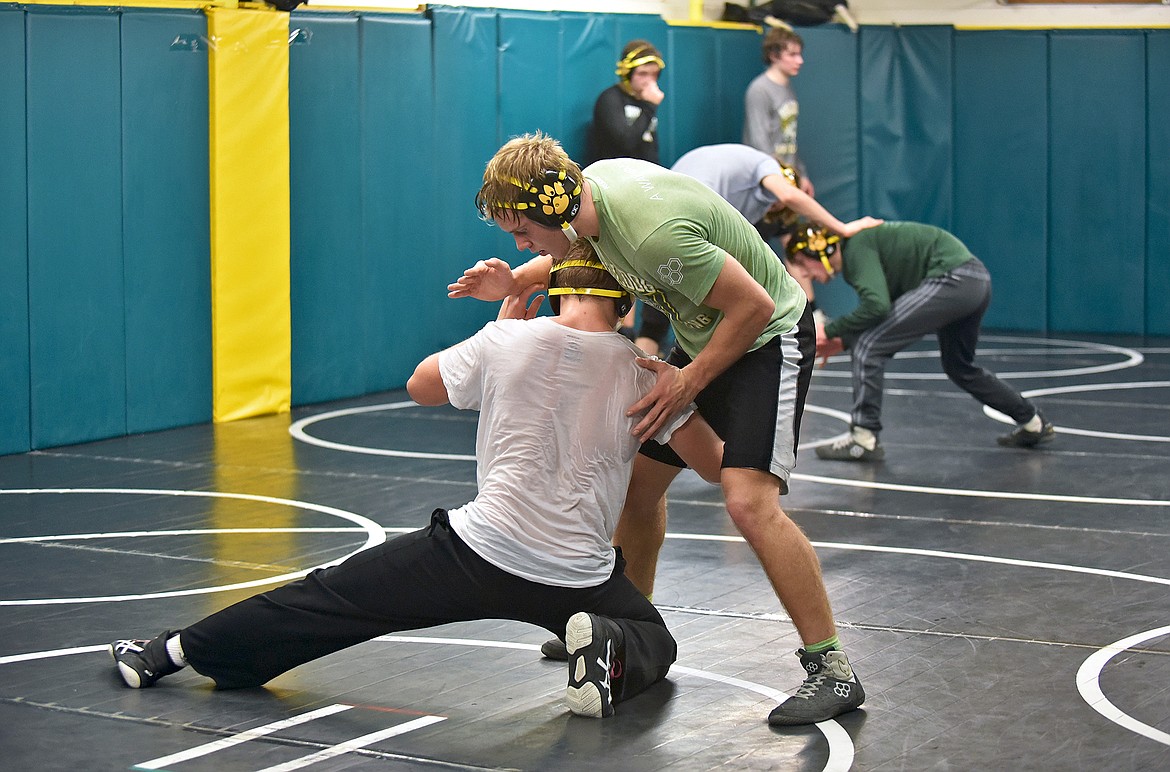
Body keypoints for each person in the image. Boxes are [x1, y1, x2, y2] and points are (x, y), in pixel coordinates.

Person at [108, 243, 727, 720]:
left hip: (473, 553)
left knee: (327, 599)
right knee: (656, 640)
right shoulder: (651, 376)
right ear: (629, 306)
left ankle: (170, 653)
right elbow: (717, 468)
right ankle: (609, 651)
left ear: (556, 291)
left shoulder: (505, 339)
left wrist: (495, 333)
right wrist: (695, 380)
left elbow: (420, 387)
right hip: (575, 579)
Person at [451, 131, 865, 726]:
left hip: (767, 335)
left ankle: (833, 669)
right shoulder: (584, 202)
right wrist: (520, 279)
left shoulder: (652, 231)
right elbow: (572, 253)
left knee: (748, 502)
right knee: (637, 485)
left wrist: (690, 379)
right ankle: (632, 635)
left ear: (552, 207)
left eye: (521, 231)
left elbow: (752, 305)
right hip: (708, 334)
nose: (521, 243)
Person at [784, 219, 1056, 461]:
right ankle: (1032, 421)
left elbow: (877, 308)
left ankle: (863, 437)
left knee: (869, 346)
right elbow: (887, 311)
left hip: (951, 278)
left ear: (818, 249)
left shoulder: (857, 249)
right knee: (960, 367)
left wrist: (830, 331)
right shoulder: (864, 249)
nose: (807, 276)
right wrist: (842, 340)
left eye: (803, 266)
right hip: (974, 280)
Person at [586, 39, 670, 356]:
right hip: (614, 194)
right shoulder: (610, 100)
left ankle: (642, 344)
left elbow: (649, 151)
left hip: (645, 193)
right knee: (619, 264)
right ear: (627, 73)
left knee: (642, 266)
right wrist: (650, 107)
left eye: (654, 74)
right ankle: (621, 339)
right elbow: (625, 143)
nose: (650, 81)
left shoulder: (646, 102)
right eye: (643, 74)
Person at [743, 26, 813, 196]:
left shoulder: (787, 87)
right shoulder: (759, 89)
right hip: (768, 177)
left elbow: (788, 138)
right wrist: (778, 179)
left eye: (799, 54)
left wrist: (800, 175)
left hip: (786, 176)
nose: (800, 61)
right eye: (792, 55)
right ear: (774, 56)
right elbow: (759, 141)